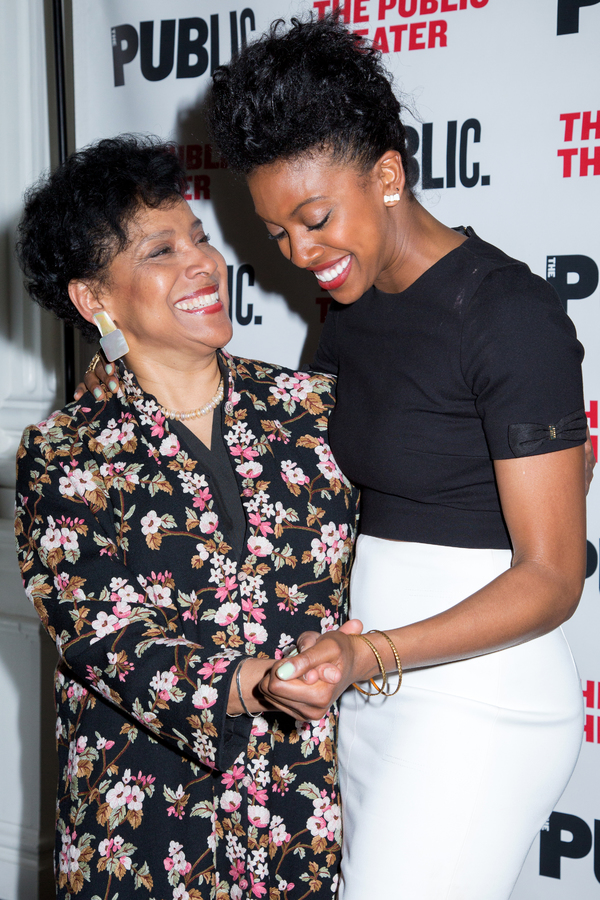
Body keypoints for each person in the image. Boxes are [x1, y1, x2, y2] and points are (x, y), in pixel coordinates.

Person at [203, 14, 589, 900]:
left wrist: (371, 653)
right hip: (376, 693)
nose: (300, 254)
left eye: (314, 218)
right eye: (278, 234)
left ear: (386, 176)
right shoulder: (348, 315)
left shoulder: (506, 311)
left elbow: (554, 575)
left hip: (479, 702)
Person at [14, 135, 359, 900]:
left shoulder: (309, 408)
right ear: (94, 299)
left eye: (199, 237)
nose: (203, 263)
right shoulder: (66, 455)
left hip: (295, 819)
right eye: (161, 251)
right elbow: (102, 638)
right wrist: (253, 682)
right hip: (142, 834)